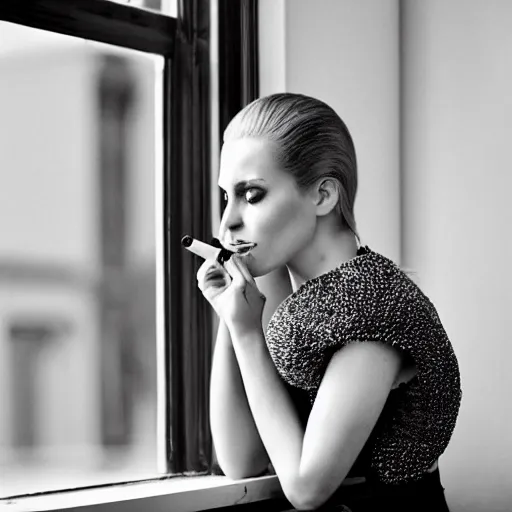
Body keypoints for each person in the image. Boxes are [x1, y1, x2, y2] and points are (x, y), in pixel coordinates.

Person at [196, 93, 462, 511]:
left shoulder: (373, 304)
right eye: (224, 197)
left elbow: (306, 489)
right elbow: (240, 461)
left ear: (322, 196)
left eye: (251, 195)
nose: (227, 221)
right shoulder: (294, 302)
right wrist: (232, 316)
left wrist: (248, 333)